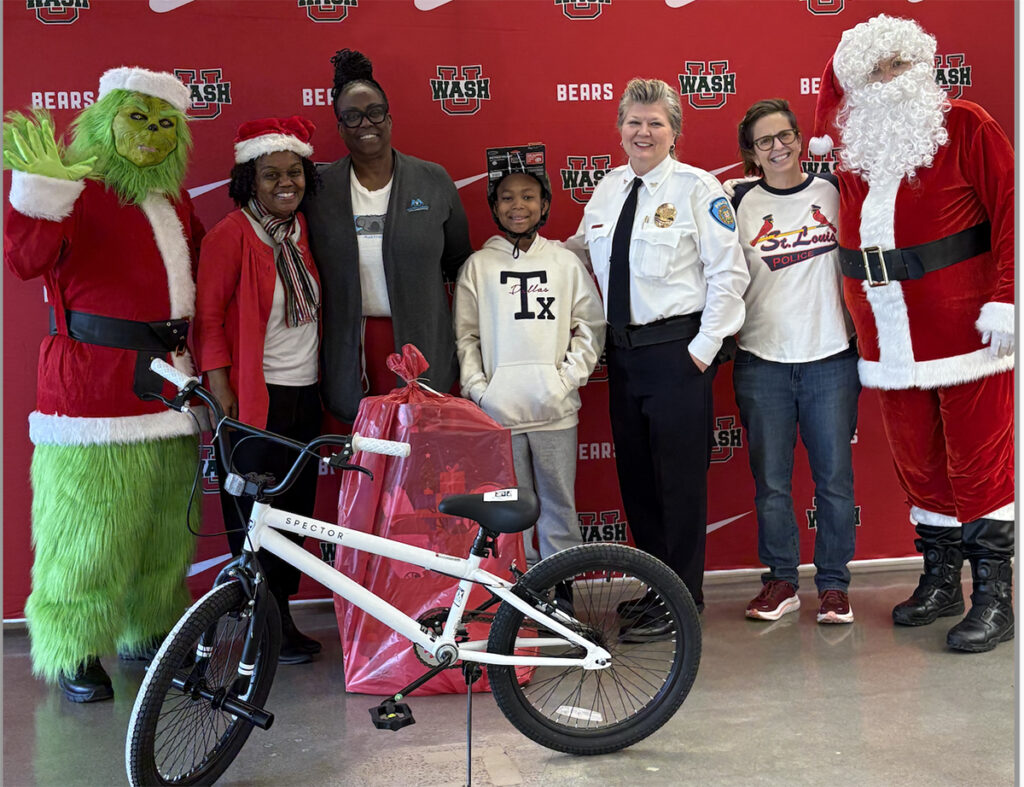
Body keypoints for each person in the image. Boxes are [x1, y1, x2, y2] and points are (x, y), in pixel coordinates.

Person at [810, 14, 1014, 651]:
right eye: (874, 70)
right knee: (919, 465)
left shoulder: (966, 124)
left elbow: (1014, 211)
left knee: (978, 462)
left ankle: (995, 595)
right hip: (887, 339)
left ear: (922, 64)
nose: (888, 79)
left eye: (898, 63)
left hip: (967, 336)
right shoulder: (856, 149)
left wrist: (1007, 302)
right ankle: (940, 579)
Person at [3, 67, 204, 702]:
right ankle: (73, 646)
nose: (151, 134)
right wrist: (39, 192)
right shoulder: (76, 190)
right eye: (137, 118)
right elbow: (25, 260)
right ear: (103, 120)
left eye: (165, 123)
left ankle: (150, 632)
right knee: (88, 527)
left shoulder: (176, 200)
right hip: (91, 388)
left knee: (166, 527)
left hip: (168, 386)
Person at [568, 78, 749, 634]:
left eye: (655, 124)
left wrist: (701, 351)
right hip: (621, 360)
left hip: (677, 354)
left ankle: (683, 600)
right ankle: (657, 590)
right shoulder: (607, 188)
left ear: (675, 132)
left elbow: (729, 274)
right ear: (620, 128)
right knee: (638, 483)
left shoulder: (699, 189)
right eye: (634, 122)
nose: (643, 132)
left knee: (679, 484)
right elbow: (578, 254)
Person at [194, 116, 324, 665]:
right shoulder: (230, 236)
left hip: (305, 390)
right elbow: (208, 319)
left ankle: (283, 617)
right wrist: (220, 385)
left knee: (293, 509)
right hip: (253, 396)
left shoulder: (304, 232)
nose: (284, 184)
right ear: (250, 180)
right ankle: (253, 620)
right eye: (271, 175)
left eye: (294, 173)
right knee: (252, 513)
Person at [730, 99, 860, 625]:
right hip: (763, 362)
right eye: (764, 141)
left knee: (834, 481)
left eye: (784, 135)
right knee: (773, 484)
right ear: (751, 152)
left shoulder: (833, 192)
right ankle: (781, 581)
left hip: (830, 358)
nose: (777, 147)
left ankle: (833, 586)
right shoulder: (736, 204)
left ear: (800, 138)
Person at [453, 146, 604, 572]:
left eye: (528, 196)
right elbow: (466, 337)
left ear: (545, 204)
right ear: (493, 206)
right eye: (506, 197)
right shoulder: (478, 266)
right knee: (508, 516)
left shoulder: (564, 262)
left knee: (560, 508)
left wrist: (566, 380)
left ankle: (562, 595)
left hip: (556, 412)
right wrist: (480, 391)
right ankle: (517, 598)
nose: (518, 206)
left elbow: (591, 326)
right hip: (499, 416)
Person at [303, 48, 472, 424]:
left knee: (421, 461)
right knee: (366, 460)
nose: (367, 123)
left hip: (422, 344)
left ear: (390, 118)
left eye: (375, 112)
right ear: (340, 127)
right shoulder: (319, 190)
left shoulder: (433, 181)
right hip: (353, 352)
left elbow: (460, 264)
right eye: (352, 116)